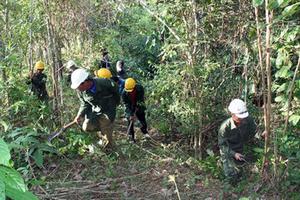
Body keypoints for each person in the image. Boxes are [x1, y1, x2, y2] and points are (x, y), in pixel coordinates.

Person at [71, 68, 120, 148]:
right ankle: (104, 130)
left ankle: (110, 150)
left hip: (108, 109)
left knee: (106, 130)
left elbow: (116, 90)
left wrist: (115, 103)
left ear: (85, 82)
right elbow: (84, 103)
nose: (77, 89)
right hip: (95, 109)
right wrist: (79, 115)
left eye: (78, 86)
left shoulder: (104, 83)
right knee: (86, 127)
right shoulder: (80, 91)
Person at [218, 99, 257, 185]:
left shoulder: (248, 120)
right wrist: (234, 154)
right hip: (229, 150)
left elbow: (254, 132)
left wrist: (262, 134)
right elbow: (222, 146)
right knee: (231, 176)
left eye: (243, 117)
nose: (243, 119)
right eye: (240, 117)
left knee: (249, 171)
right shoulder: (224, 127)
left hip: (243, 147)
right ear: (232, 115)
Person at [122, 78, 150, 143]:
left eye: (131, 90)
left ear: (134, 86)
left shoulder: (140, 88)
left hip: (139, 105)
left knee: (142, 118)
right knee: (130, 120)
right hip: (130, 106)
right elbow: (126, 104)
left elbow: (141, 99)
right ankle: (131, 137)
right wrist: (130, 114)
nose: (130, 91)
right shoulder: (124, 93)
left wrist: (138, 107)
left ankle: (145, 132)